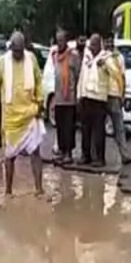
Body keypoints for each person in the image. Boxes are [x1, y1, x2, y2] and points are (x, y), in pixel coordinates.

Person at [0, 31, 45, 196]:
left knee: (36, 151)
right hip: (11, 117)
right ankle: (8, 191)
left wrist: (40, 101)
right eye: (15, 51)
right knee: (9, 155)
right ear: (11, 48)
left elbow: (39, 80)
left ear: (24, 47)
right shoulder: (3, 62)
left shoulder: (31, 59)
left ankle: (39, 189)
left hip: (30, 112)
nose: (18, 54)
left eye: (20, 50)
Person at [77, 34, 111, 168]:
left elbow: (112, 73)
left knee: (99, 130)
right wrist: (79, 96)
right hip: (86, 98)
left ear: (99, 45)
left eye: (94, 45)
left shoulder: (106, 58)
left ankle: (100, 158)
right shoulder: (87, 59)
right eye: (90, 45)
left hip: (99, 99)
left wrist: (104, 66)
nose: (91, 47)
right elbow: (82, 77)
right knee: (85, 129)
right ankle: (86, 156)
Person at [50, 27, 81, 165]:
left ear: (66, 41)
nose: (60, 43)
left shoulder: (73, 56)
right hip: (58, 98)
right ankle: (62, 152)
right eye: (58, 41)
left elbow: (79, 75)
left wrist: (77, 96)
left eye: (62, 40)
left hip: (70, 99)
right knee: (60, 127)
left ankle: (69, 153)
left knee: (69, 127)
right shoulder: (55, 56)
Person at [103, 35, 131, 164]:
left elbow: (122, 76)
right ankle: (98, 157)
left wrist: (122, 95)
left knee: (119, 128)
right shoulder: (100, 56)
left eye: (111, 41)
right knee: (99, 129)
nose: (109, 43)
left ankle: (124, 155)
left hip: (115, 95)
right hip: (101, 96)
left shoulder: (119, 57)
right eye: (107, 41)